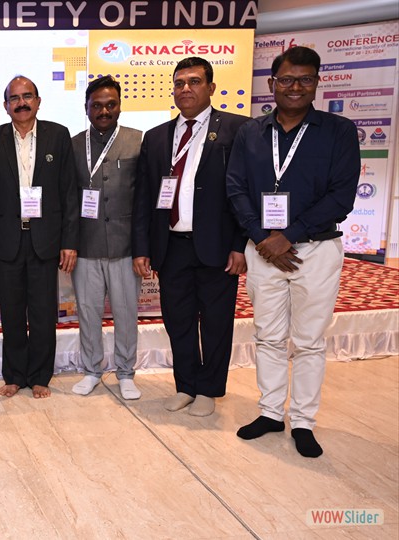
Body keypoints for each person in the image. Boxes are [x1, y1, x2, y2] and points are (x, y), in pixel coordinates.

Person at [227, 46, 360, 458]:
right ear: (272, 84)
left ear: (318, 82)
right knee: (267, 336)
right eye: (286, 79)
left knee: (308, 341)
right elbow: (235, 187)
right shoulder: (251, 132)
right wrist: (262, 237)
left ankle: (303, 421)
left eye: (305, 79)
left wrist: (290, 235)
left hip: (315, 250)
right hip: (262, 249)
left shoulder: (338, 131)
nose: (295, 87)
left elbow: (342, 195)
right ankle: (270, 413)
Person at [132, 57, 249, 416]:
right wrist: (142, 248)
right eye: (179, 82)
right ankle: (186, 386)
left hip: (217, 247)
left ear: (211, 87)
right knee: (178, 321)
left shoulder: (238, 129)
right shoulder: (156, 137)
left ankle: (208, 390)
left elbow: (246, 192)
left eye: (194, 81)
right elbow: (144, 197)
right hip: (171, 247)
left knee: (216, 322)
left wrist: (239, 245)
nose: (186, 88)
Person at [0, 75, 80, 399]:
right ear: (5, 105)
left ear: (38, 101)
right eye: (15, 98)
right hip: (7, 239)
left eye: (27, 96)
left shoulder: (58, 135)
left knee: (42, 312)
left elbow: (69, 192)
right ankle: (14, 375)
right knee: (11, 312)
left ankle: (40, 376)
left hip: (45, 239)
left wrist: (69, 241)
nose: (21, 103)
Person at [69, 76, 143, 400]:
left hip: (125, 246)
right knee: (88, 313)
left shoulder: (138, 141)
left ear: (120, 106)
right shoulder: (73, 145)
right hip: (86, 245)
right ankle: (91, 370)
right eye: (96, 105)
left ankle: (126, 372)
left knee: (126, 313)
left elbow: (144, 198)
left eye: (110, 104)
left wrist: (143, 247)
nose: (104, 111)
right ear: (86, 108)